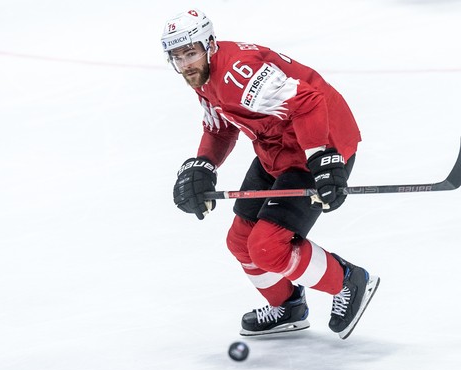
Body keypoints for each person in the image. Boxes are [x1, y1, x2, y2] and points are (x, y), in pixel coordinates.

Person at [162, 8, 379, 339]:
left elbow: (307, 101)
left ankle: (348, 280)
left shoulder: (238, 74)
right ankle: (288, 306)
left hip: (317, 147)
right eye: (177, 57)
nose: (185, 63)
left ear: (209, 44)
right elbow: (220, 128)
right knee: (240, 242)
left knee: (267, 247)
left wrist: (320, 155)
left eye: (190, 52)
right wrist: (204, 164)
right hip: (275, 149)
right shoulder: (203, 77)